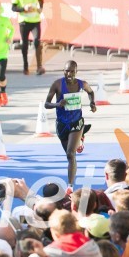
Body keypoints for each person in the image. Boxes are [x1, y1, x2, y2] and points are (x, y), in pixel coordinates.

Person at [43, 60, 96, 189]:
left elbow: (91, 92)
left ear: (76, 72)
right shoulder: (57, 85)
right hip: (62, 124)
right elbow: (46, 104)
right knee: (69, 154)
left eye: (72, 71)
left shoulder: (82, 84)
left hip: (76, 121)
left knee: (70, 154)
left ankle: (70, 186)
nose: (69, 73)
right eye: (67, 71)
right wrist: (57, 104)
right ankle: (80, 138)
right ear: (64, 71)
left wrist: (92, 103)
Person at [11, 0, 45, 76]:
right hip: (24, 21)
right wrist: (23, 9)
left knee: (36, 41)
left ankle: (39, 66)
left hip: (35, 20)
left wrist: (40, 8)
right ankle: (25, 66)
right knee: (25, 44)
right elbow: (13, 7)